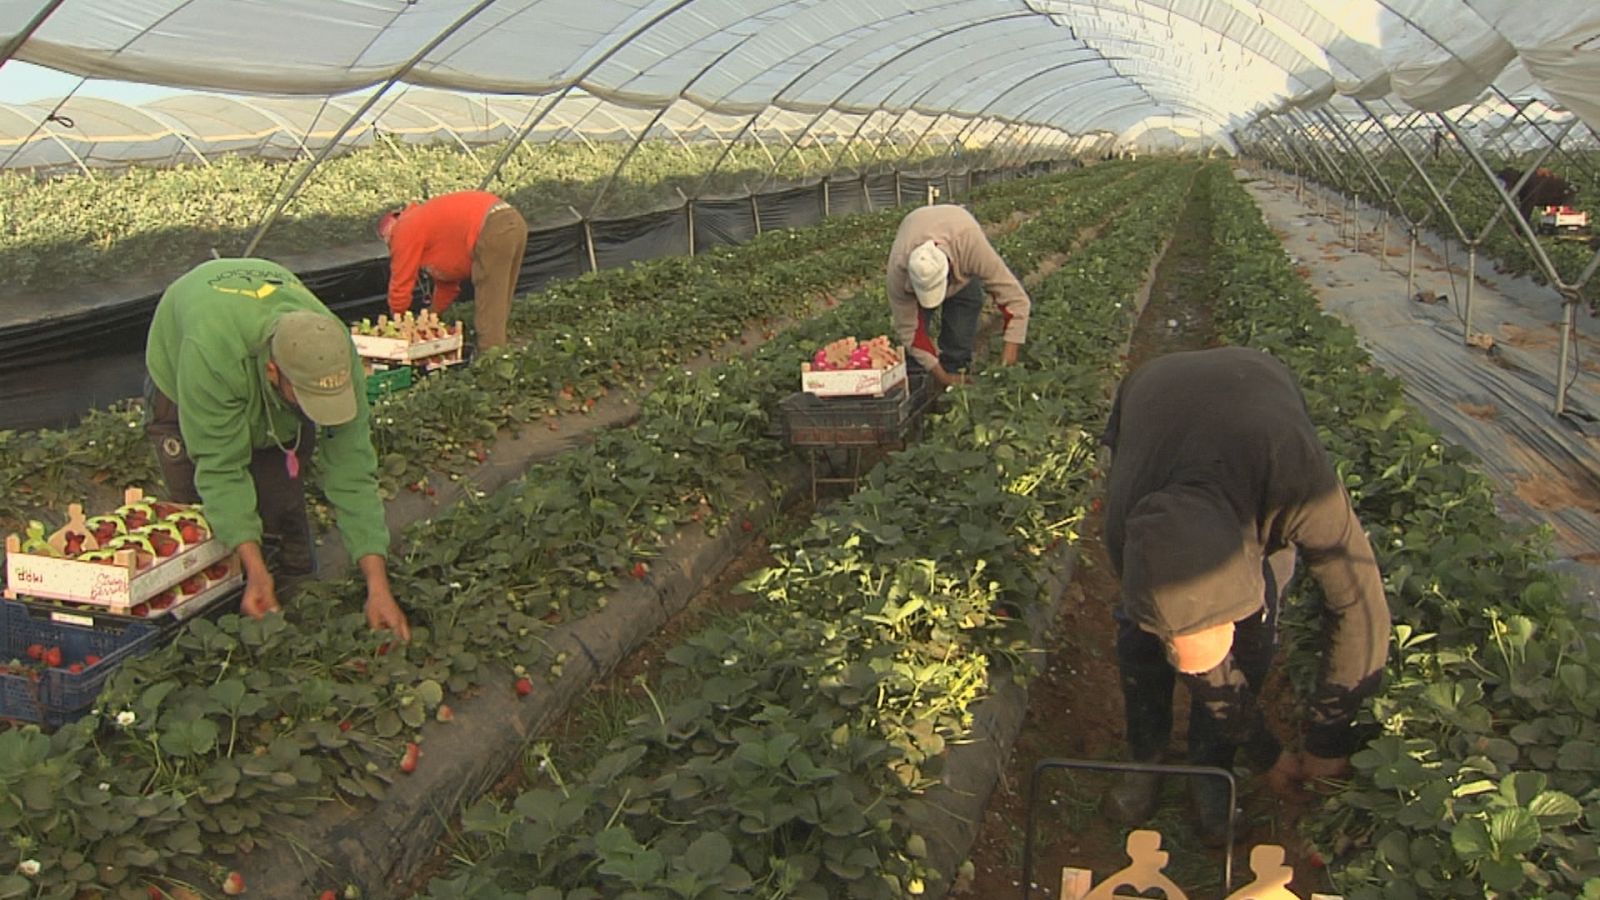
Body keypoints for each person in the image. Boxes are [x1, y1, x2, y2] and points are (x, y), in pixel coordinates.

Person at [1099, 347, 1389, 845]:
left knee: (1255, 640)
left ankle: (1211, 766)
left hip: (1256, 392)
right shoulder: (1126, 524)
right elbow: (1194, 647)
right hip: (1155, 389)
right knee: (1141, 637)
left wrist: (1327, 737)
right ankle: (1144, 754)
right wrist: (1267, 750)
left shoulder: (1299, 485)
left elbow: (1360, 606)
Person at [144, 258, 411, 640]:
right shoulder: (212, 352)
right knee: (202, 518)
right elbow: (221, 469)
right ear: (273, 371)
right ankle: (206, 635)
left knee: (279, 503)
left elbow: (352, 471)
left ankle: (283, 604)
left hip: (259, 354)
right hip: (188, 361)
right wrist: (253, 568)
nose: (315, 410)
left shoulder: (331, 353)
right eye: (305, 397)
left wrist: (378, 585)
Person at [886, 204, 1031, 387]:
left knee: (963, 315)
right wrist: (942, 377)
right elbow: (910, 332)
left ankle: (956, 368)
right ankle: (921, 379)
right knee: (917, 342)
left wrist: (1006, 366)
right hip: (914, 225)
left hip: (956, 229)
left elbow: (1016, 301)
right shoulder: (898, 271)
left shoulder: (971, 246)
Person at [377, 190, 528, 350]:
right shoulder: (427, 227)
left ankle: (491, 361)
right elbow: (447, 285)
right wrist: (430, 317)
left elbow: (401, 282)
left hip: (492, 226)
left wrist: (398, 322)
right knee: (499, 300)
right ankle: (500, 353)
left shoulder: (403, 229)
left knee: (489, 305)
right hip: (512, 222)